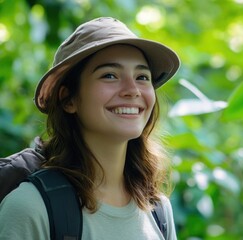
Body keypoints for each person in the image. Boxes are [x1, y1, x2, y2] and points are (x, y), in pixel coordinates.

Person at [0, 17, 180, 239]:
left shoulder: (158, 211)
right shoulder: (31, 208)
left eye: (142, 77)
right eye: (110, 75)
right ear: (69, 99)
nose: (132, 90)